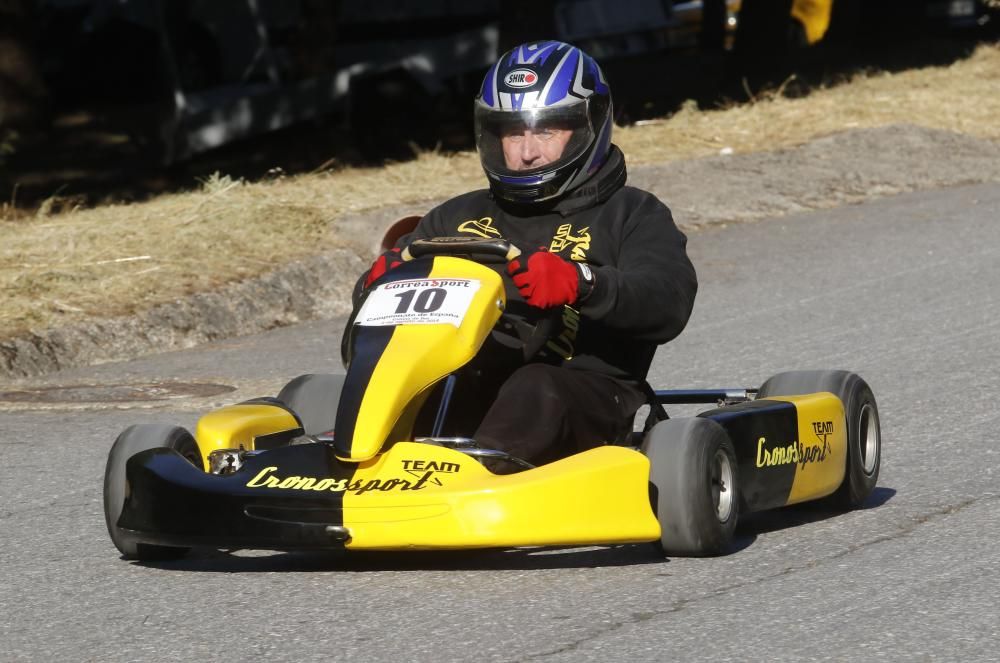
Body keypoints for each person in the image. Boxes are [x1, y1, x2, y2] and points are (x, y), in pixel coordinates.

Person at [353, 41, 697, 466]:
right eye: (514, 132)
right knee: (376, 382)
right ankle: (360, 460)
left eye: (546, 131)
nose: (527, 151)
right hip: (462, 378)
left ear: (590, 126)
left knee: (535, 385)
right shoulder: (455, 216)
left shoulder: (630, 212)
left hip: (581, 391)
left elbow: (668, 300)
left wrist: (582, 283)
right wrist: (379, 284)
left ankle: (479, 475)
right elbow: (383, 319)